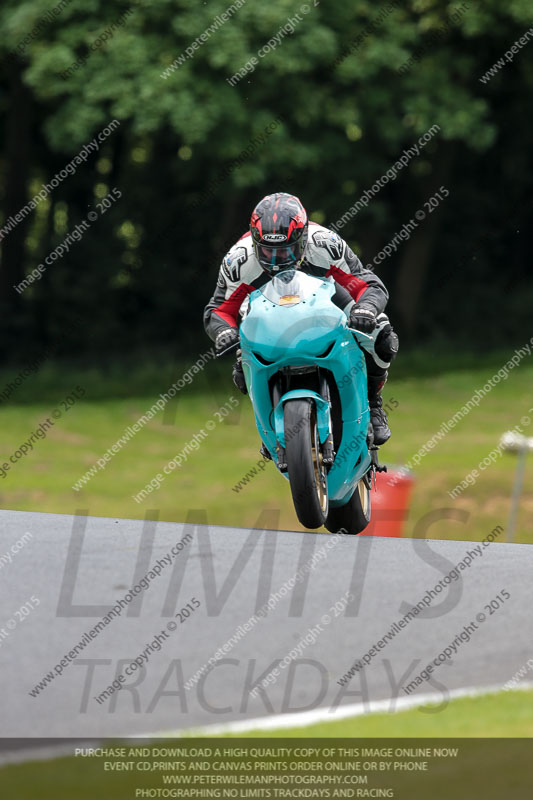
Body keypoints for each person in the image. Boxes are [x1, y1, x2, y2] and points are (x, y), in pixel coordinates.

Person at [203, 192, 399, 446]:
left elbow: (368, 284)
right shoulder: (238, 260)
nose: (277, 261)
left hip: (328, 303)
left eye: (286, 251)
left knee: (382, 335)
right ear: (254, 241)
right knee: (242, 368)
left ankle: (373, 404)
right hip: (265, 316)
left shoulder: (325, 243)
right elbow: (218, 310)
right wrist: (224, 333)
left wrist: (367, 309)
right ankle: (270, 423)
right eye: (267, 251)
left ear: (303, 237)